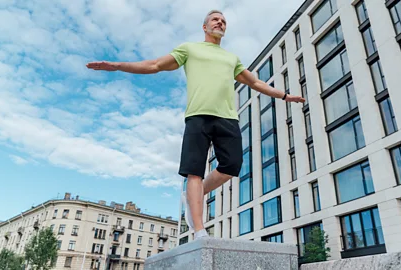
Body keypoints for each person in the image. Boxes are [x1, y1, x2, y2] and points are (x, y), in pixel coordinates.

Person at [87, 10, 305, 240]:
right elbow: (155, 65)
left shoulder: (232, 58)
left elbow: (255, 82)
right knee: (195, 171)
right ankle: (199, 229)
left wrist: (284, 95)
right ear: (205, 27)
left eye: (223, 21)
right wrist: (118, 65)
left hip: (227, 117)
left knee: (232, 165)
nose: (220, 22)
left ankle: (195, 194)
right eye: (215, 19)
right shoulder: (189, 49)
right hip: (197, 116)